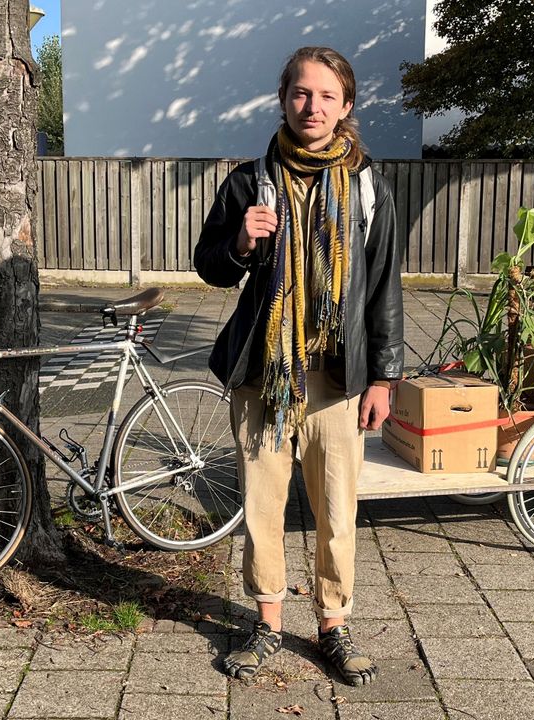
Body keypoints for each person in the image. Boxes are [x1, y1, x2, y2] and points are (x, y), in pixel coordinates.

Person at [193, 46, 404, 686]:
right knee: (263, 506)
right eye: (301, 94)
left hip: (337, 376)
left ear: (347, 106)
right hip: (264, 374)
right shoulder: (249, 181)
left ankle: (333, 626)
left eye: (326, 96)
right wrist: (240, 242)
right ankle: (267, 625)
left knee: (338, 510)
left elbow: (383, 288)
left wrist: (385, 377)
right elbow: (209, 268)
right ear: (284, 98)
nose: (312, 107)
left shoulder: (368, 187)